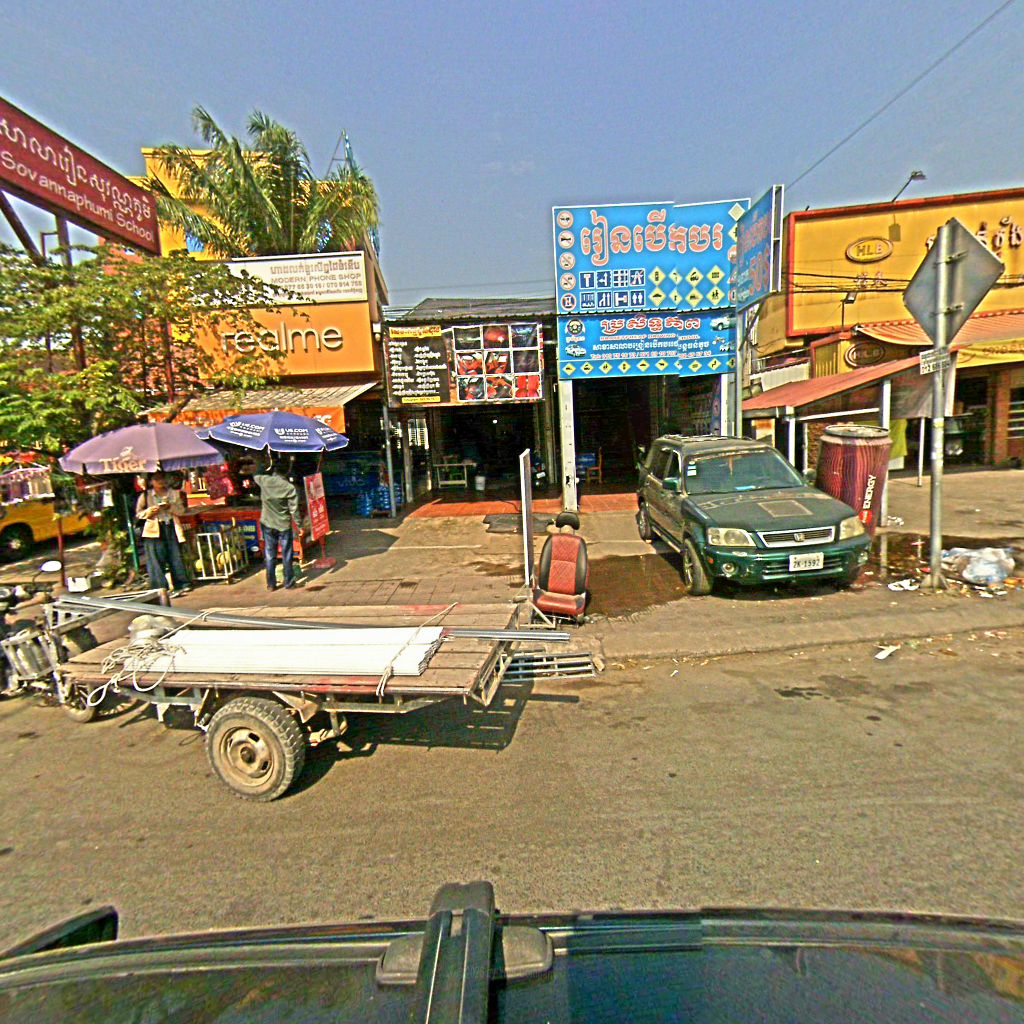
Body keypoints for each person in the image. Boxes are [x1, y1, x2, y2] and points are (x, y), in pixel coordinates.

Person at [136, 472, 191, 595]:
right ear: (151, 482)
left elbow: (181, 511)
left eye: (163, 478)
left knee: (175, 556)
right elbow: (139, 514)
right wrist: (150, 511)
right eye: (157, 479)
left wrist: (170, 507)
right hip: (153, 530)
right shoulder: (146, 496)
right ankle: (160, 587)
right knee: (156, 559)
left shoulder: (173, 493)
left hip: (171, 526)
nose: (161, 481)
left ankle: (181, 583)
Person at [254, 458, 301, 590]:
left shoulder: (264, 481)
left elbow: (256, 474)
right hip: (284, 524)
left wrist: (264, 464)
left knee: (270, 554)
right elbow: (294, 510)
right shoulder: (289, 488)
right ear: (287, 471)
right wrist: (299, 525)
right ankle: (289, 582)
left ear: (274, 469)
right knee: (287, 554)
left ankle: (271, 584)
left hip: (267, 523)